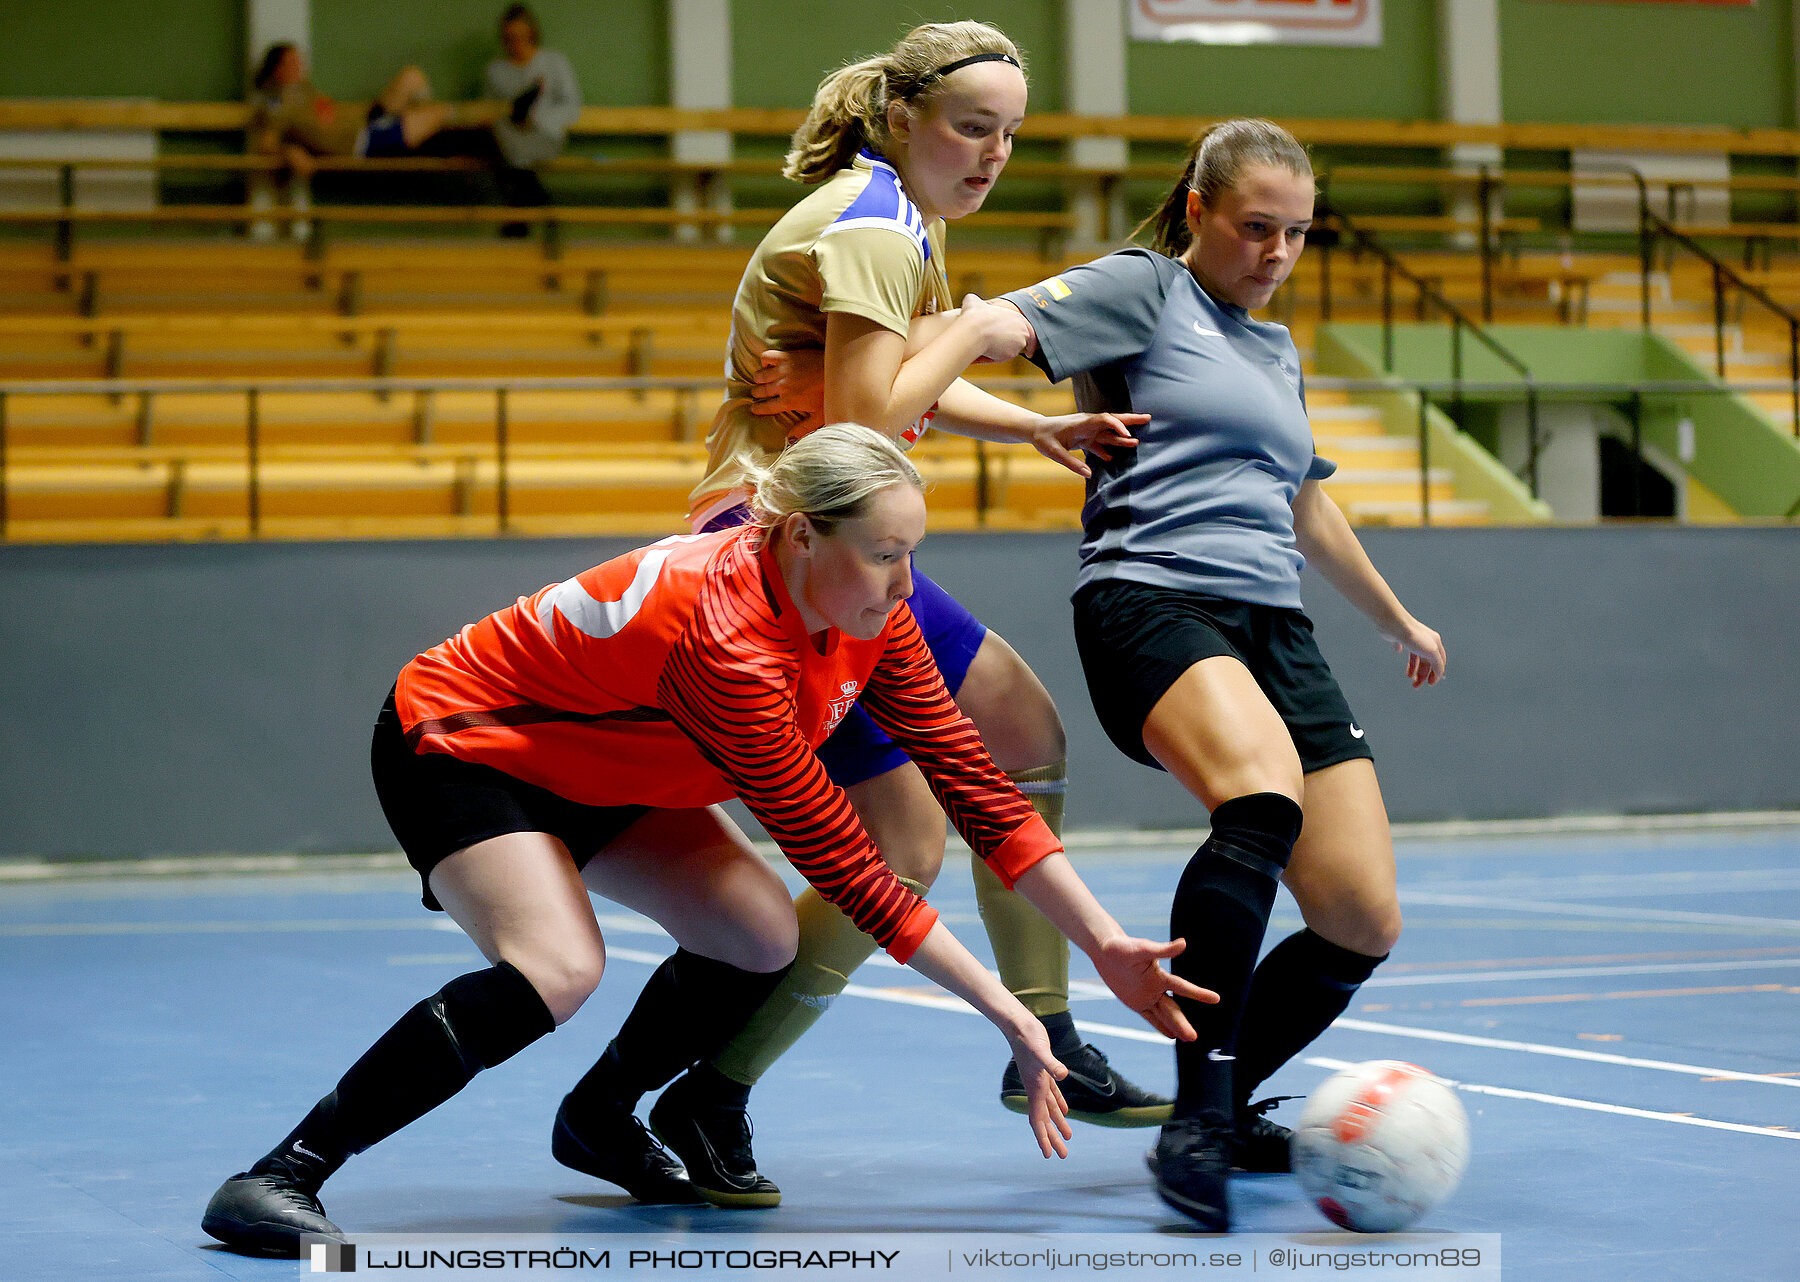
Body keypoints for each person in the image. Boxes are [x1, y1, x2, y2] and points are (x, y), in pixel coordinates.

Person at [199, 424, 1213, 1257]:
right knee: (558, 966)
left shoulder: (869, 615)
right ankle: (282, 1171)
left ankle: (600, 1116)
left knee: (757, 935)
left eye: (915, 554)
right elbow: (849, 866)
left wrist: (1104, 941)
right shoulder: (725, 640)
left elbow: (978, 788)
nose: (906, 585)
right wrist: (1008, 1013)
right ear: (803, 537)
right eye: (885, 553)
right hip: (469, 742)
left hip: (610, 766)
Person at [604, 20, 1159, 1209]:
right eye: (972, 126)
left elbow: (886, 375)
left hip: (821, 539)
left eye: (1011, 133)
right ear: (901, 118)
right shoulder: (874, 224)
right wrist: (974, 325)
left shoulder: (894, 218)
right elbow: (864, 422)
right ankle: (710, 1088)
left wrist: (1029, 423)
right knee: (906, 844)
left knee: (1023, 731)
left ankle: (1047, 1032)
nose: (994, 151)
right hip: (778, 555)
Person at [993, 119, 1448, 1229]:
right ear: (1197, 211)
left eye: (1297, 233)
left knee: (1360, 917)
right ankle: (1196, 1120)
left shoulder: (1274, 346)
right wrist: (896, 360)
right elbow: (988, 329)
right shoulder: (1143, 290)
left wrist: (1395, 616)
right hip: (1149, 599)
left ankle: (1229, 1094)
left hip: (1273, 625)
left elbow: (1303, 496)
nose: (1278, 250)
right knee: (1258, 803)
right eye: (1257, 227)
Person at [249, 42, 457, 178]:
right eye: (292, 62)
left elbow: (329, 112)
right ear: (277, 69)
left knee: (413, 76)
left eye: (299, 60)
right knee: (440, 112)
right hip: (360, 142)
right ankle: (450, 140)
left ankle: (427, 131)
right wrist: (290, 152)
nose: (299, 66)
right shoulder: (277, 105)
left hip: (367, 118)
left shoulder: (305, 90)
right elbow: (265, 143)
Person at [482, 4, 582, 211]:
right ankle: (537, 200)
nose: (517, 43)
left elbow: (572, 105)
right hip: (507, 140)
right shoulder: (495, 71)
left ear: (532, 34)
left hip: (544, 137)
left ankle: (520, 213)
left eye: (522, 36)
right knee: (499, 133)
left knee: (512, 163)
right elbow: (488, 111)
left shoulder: (555, 63)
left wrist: (535, 120)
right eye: (510, 38)